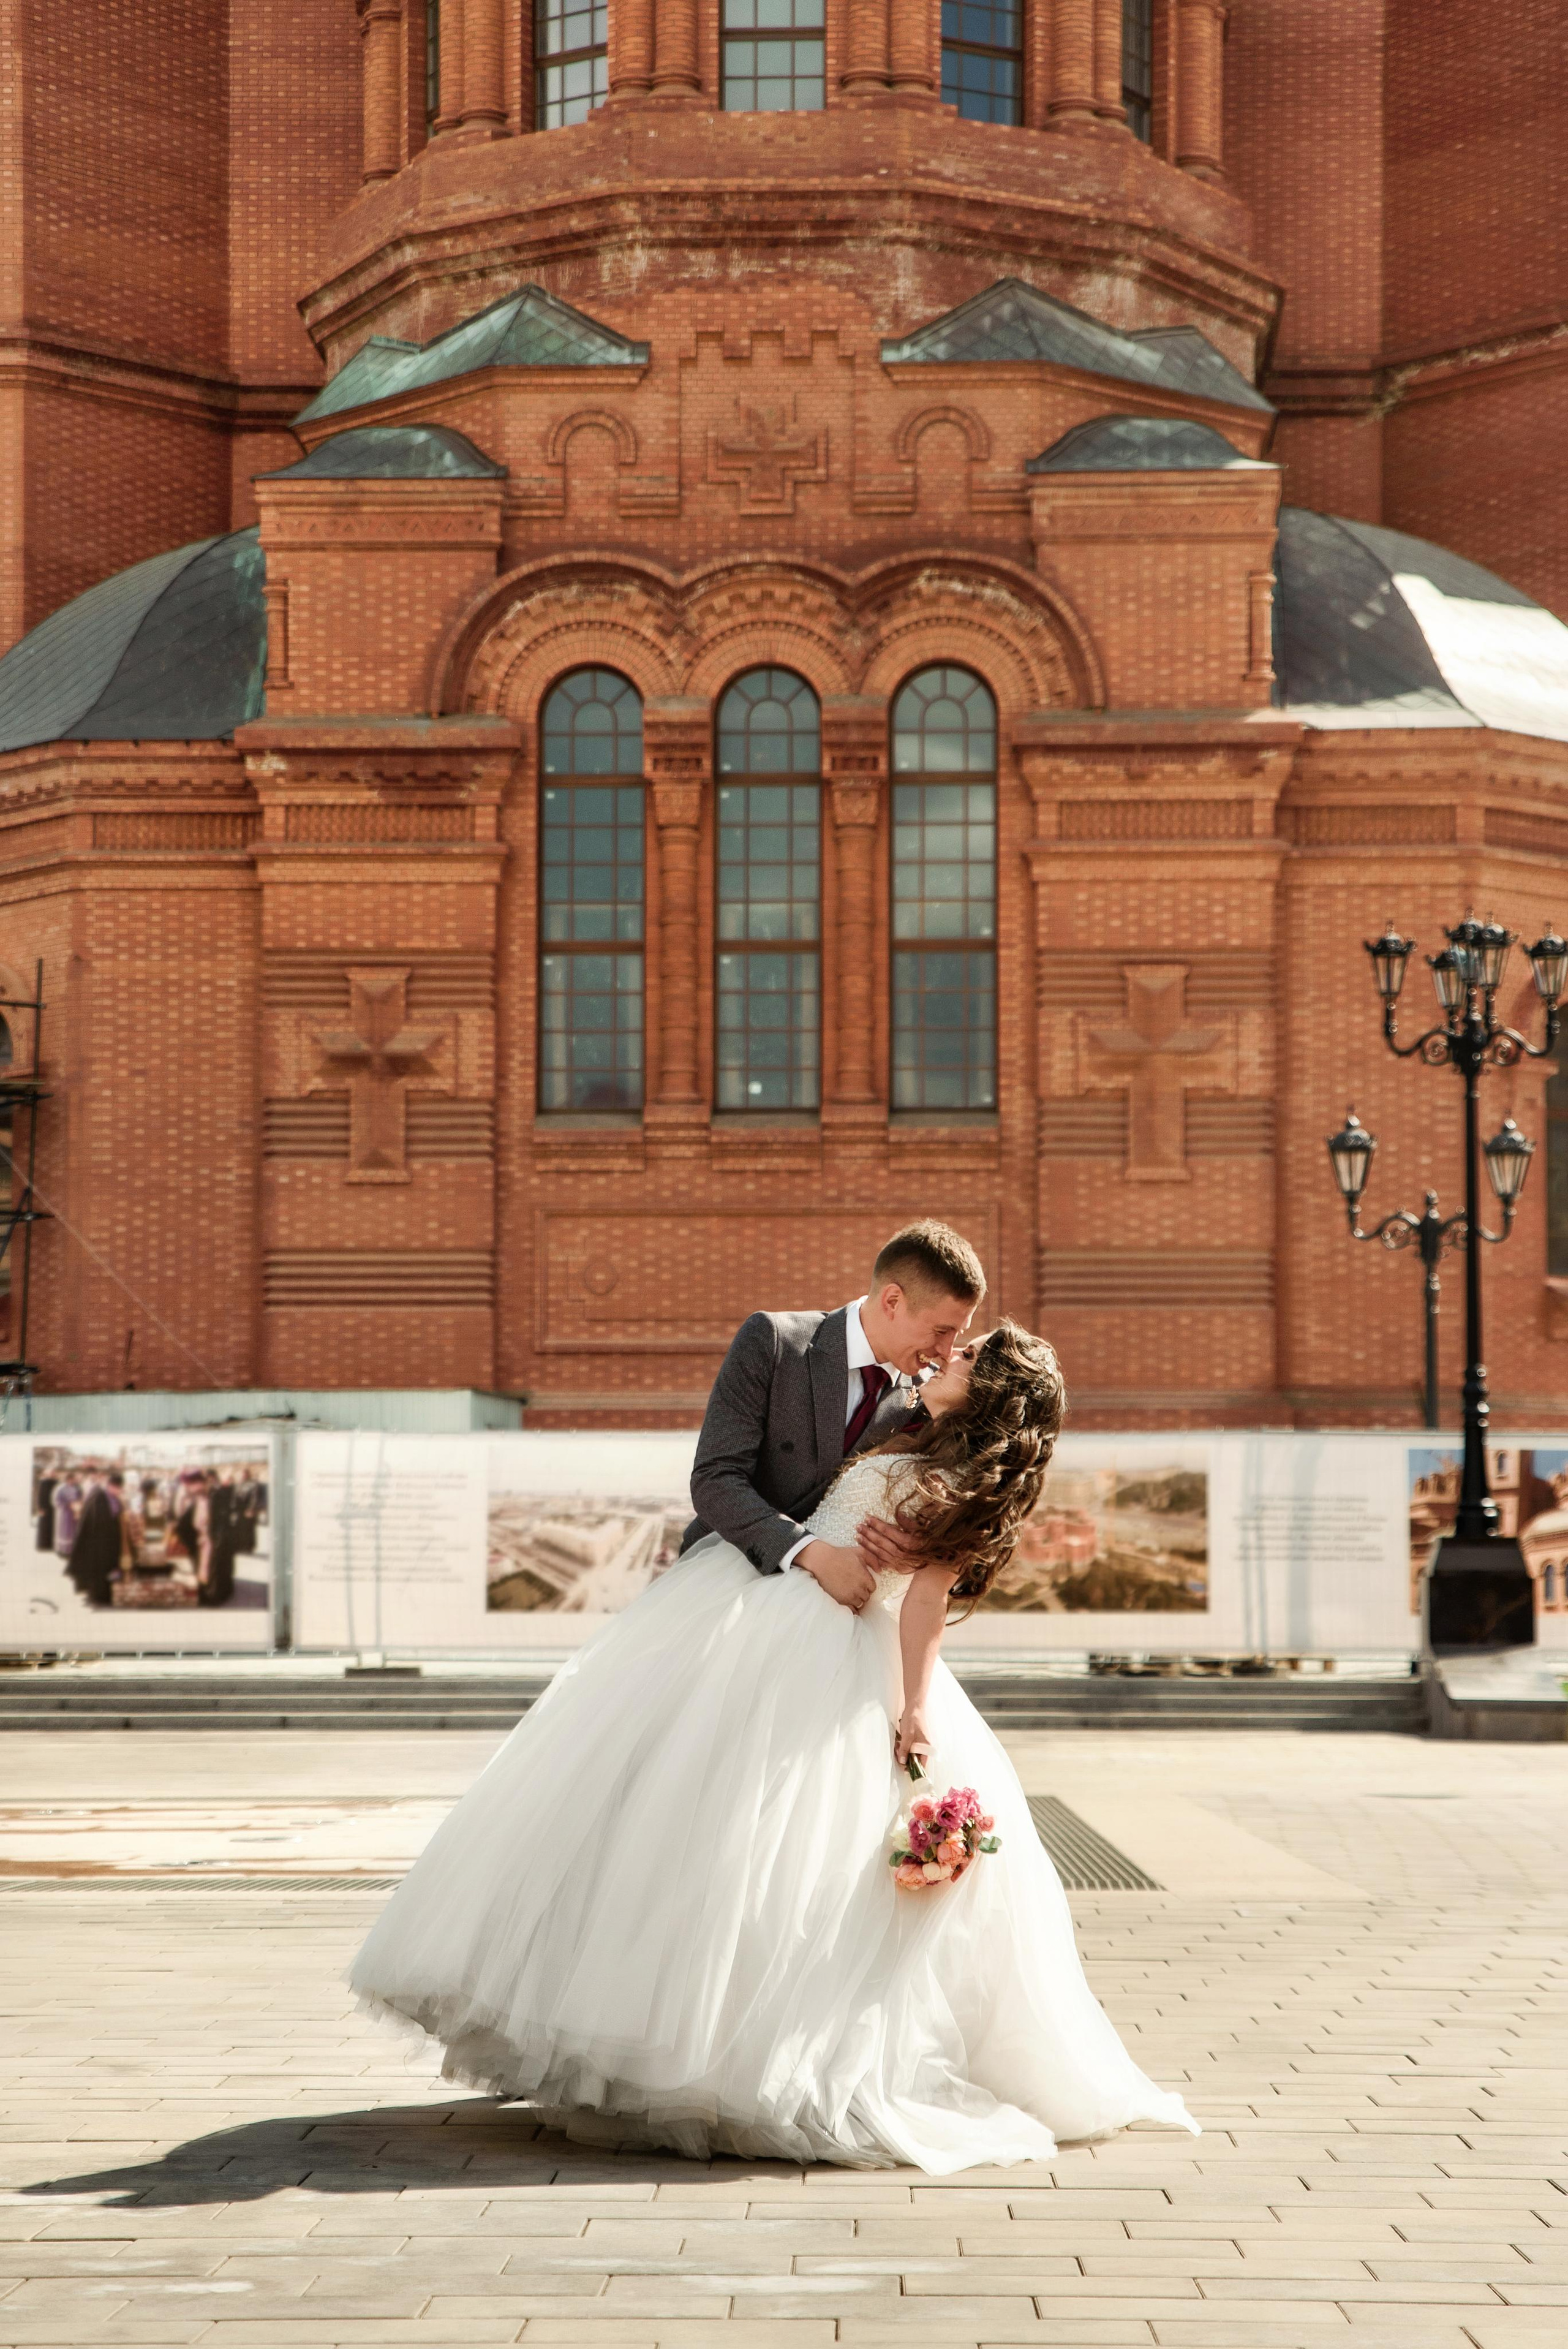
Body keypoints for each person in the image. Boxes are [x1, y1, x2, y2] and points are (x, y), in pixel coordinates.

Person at [350, 1317, 1197, 2172]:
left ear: (992, 1393)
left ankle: (736, 2060)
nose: (951, 1352)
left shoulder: (960, 1481)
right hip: (757, 1611)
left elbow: (925, 1601)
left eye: (970, 1355)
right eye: (954, 1340)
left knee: (770, 1853)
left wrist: (913, 1709)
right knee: (681, 1824)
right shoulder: (912, 1426)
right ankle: (653, 2038)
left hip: (827, 1651)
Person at [682, 1220, 986, 1613]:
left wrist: (920, 1551)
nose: (947, 1351)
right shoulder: (774, 1341)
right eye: (941, 1331)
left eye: (959, 1334)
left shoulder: (931, 1397)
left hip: (835, 1618)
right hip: (719, 1591)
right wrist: (811, 1553)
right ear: (893, 1301)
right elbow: (715, 1478)